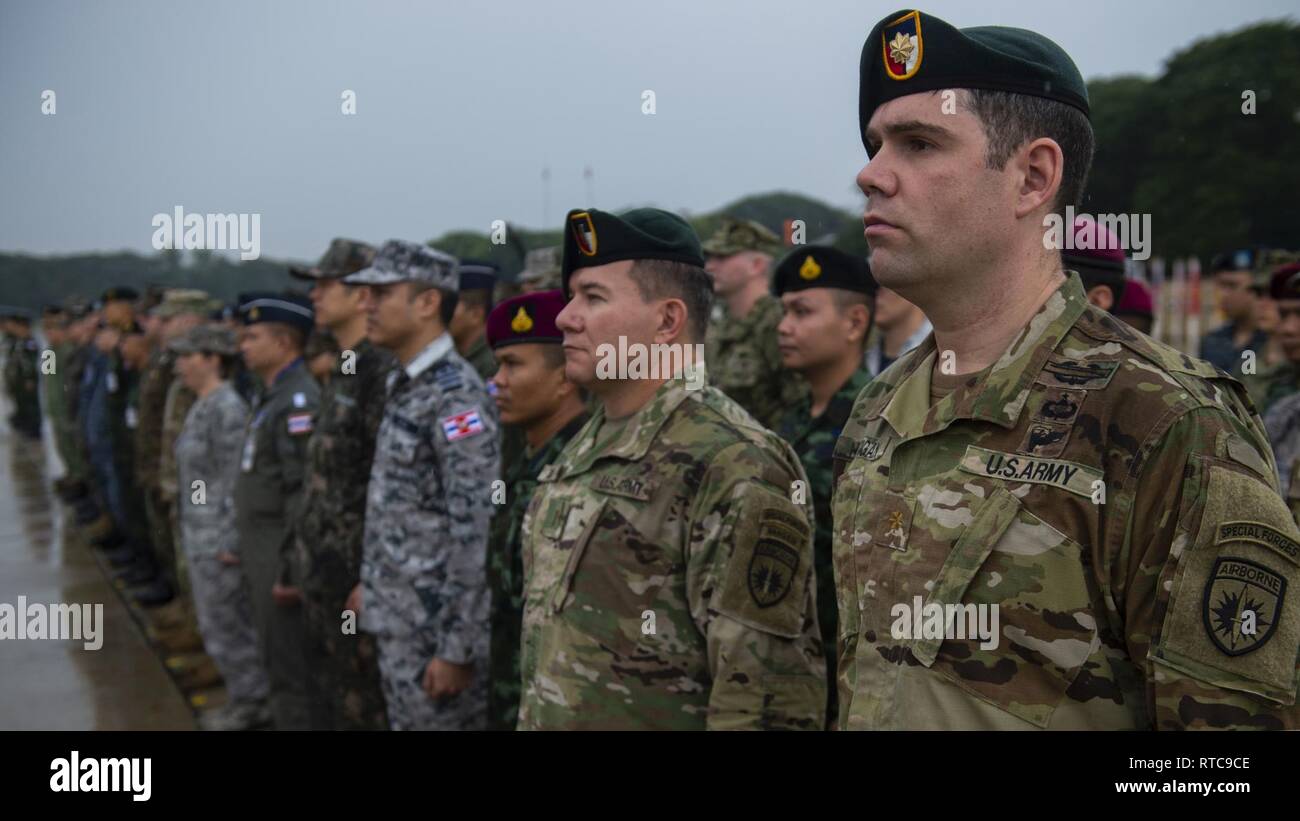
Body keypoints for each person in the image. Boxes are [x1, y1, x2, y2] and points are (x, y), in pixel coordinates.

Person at [834, 8, 1298, 730]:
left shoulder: (1163, 420)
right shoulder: (881, 406)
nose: (870, 174)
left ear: (1032, 177)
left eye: (919, 143)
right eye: (875, 144)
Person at [518, 207, 826, 730]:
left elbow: (766, 703)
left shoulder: (734, 461)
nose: (565, 317)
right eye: (572, 297)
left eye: (592, 297)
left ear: (666, 321)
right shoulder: (589, 441)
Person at [343, 239, 499, 731]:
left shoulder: (456, 397)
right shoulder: (405, 381)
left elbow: (476, 528)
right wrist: (375, 582)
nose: (365, 305)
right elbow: (403, 505)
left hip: (433, 630)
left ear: (428, 302)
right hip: (400, 615)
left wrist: (457, 647)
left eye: (381, 293)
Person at [287, 237, 394, 731]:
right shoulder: (345, 365)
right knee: (326, 696)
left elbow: (387, 483)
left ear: (360, 295)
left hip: (356, 577)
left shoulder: (379, 369)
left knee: (361, 706)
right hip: (324, 570)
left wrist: (373, 575)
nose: (314, 297)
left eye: (325, 286)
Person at [772, 246, 876, 728]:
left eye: (802, 312)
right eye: (784, 312)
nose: (783, 327)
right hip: (785, 665)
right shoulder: (788, 423)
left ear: (854, 323)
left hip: (844, 675)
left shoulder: (878, 423)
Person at [483, 290, 589, 730]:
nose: (496, 381)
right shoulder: (528, 456)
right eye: (498, 365)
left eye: (513, 365)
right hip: (515, 686)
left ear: (564, 378)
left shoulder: (583, 464)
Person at [171, 325, 272, 731]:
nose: (180, 365)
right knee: (216, 625)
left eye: (189, 356)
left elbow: (234, 479)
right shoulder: (201, 404)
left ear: (213, 359)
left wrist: (228, 536)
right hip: (201, 532)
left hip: (218, 540)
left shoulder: (227, 408)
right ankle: (242, 696)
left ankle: (254, 704)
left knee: (231, 626)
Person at [233, 293, 320, 730]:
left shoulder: (298, 400)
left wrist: (290, 566)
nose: (242, 345)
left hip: (278, 550)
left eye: (253, 336)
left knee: (290, 668)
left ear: (284, 342)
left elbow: (300, 490)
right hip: (261, 544)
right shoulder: (271, 395)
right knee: (273, 655)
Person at [702, 216, 804, 428]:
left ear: (756, 265)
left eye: (722, 257)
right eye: (709, 257)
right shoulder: (718, 326)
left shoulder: (779, 323)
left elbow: (798, 403)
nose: (710, 266)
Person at [1201, 249, 1268, 374]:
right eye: (1220, 286)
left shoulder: (1275, 341)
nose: (1223, 294)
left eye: (1232, 285)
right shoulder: (1213, 341)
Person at [449, 260, 499, 382]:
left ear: (475, 314)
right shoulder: (456, 355)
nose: (440, 313)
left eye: (449, 306)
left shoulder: (493, 362)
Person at [866, 287, 930, 376]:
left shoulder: (938, 354)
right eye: (872, 284)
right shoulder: (861, 357)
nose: (876, 293)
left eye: (886, 285)